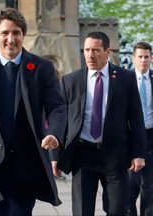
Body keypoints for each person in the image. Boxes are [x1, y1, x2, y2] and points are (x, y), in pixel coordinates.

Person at [0, 7, 67, 215]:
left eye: (16, 33)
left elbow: (57, 107)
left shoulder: (41, 67)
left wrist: (53, 133)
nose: (11, 39)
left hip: (26, 165)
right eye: (5, 33)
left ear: (23, 35)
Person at [56, 31, 146, 216]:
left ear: (107, 52)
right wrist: (54, 155)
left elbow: (136, 119)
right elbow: (61, 119)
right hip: (83, 155)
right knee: (82, 211)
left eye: (96, 50)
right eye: (87, 50)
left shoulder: (125, 79)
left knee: (118, 210)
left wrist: (137, 153)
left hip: (115, 156)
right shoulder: (70, 80)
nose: (90, 55)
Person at [126, 42, 153, 216]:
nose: (143, 60)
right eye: (140, 56)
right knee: (129, 188)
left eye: (146, 57)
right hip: (129, 140)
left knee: (150, 188)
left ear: (151, 59)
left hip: (151, 138)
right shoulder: (124, 80)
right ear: (133, 58)